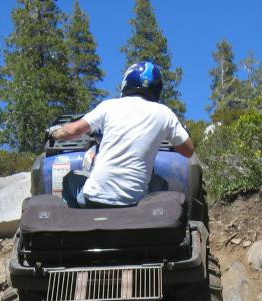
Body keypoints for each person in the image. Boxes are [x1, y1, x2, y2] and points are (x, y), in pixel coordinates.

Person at [48, 61, 194, 207]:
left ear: (127, 82)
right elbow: (188, 150)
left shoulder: (109, 106)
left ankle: (73, 226)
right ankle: (155, 222)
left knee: (69, 179)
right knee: (160, 183)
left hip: (94, 200)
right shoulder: (165, 113)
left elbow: (74, 131)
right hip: (134, 204)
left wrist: (53, 133)